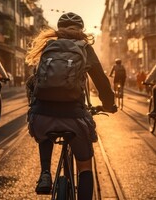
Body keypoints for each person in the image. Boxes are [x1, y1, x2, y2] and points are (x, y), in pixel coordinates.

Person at [25, 12, 117, 199]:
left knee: (45, 130)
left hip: (42, 117)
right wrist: (108, 104)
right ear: (81, 30)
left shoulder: (48, 47)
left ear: (59, 30)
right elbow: (101, 81)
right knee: (84, 165)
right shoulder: (84, 47)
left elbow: (35, 82)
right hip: (74, 117)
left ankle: (45, 173)